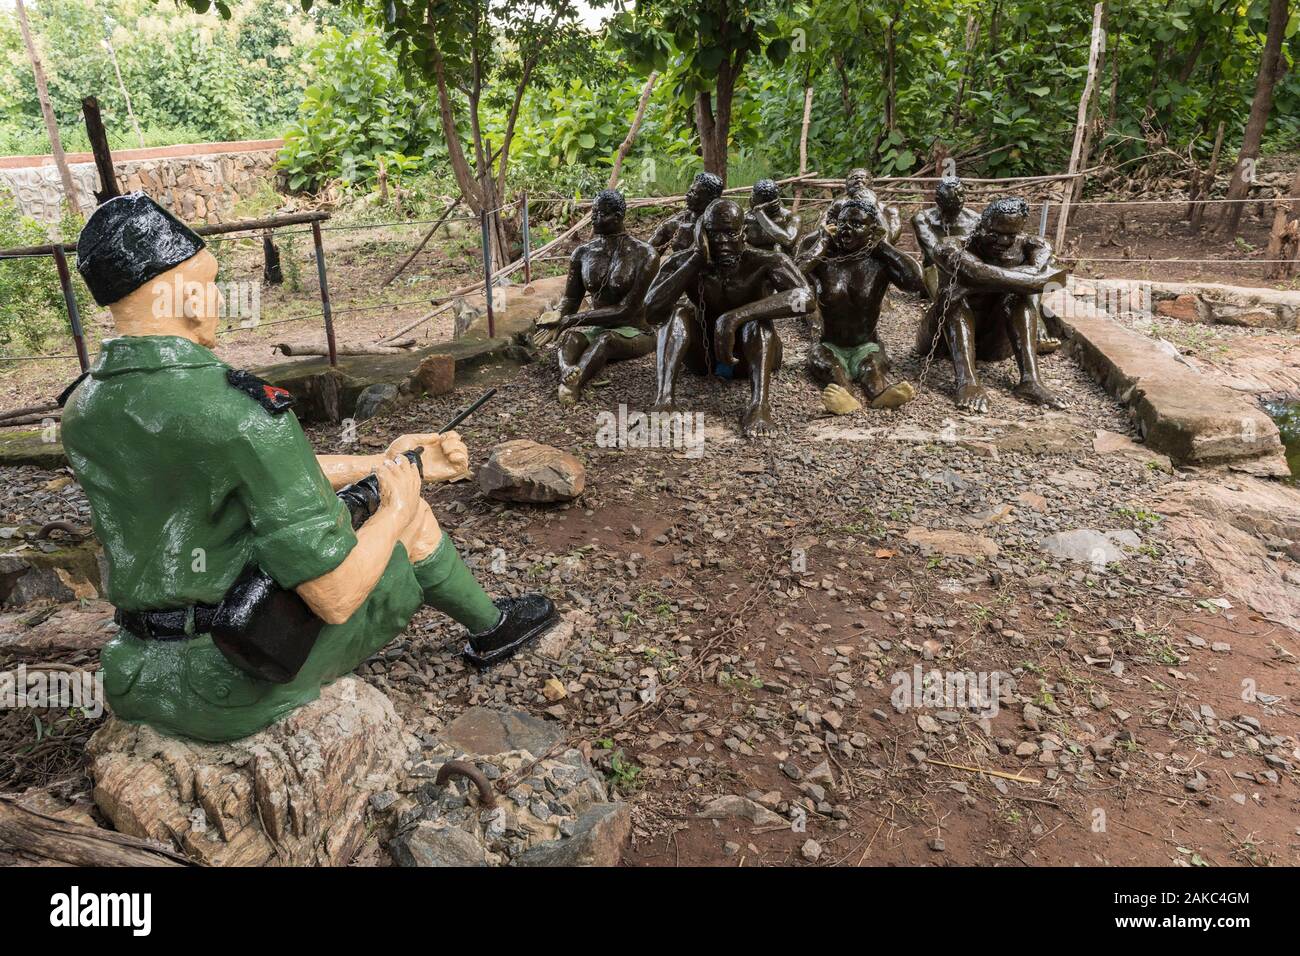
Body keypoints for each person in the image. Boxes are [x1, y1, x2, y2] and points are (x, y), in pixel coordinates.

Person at [60, 194, 556, 742]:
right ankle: (494, 630)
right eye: (214, 283)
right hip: (234, 679)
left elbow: (242, 472)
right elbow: (335, 596)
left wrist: (383, 462)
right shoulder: (240, 412)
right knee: (406, 525)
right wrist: (398, 505)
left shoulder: (84, 408)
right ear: (192, 301)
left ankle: (484, 615)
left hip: (132, 676)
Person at [644, 199, 809, 437]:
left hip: (747, 355)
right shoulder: (683, 262)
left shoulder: (767, 261)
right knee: (677, 312)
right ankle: (664, 398)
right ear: (702, 233)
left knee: (757, 322)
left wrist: (735, 317)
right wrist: (696, 258)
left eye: (730, 233)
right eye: (714, 234)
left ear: (744, 233)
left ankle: (759, 405)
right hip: (705, 358)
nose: (722, 242)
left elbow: (805, 298)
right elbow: (651, 311)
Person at [915, 196, 1067, 414]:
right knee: (954, 298)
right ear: (980, 225)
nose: (1003, 241)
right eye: (994, 233)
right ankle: (967, 381)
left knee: (1017, 298)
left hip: (994, 341)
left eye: (1011, 235)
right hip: (941, 342)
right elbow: (976, 271)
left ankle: (1030, 380)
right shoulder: (950, 245)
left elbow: (1057, 279)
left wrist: (973, 285)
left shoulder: (1036, 246)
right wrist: (1027, 278)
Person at [799, 198, 925, 414]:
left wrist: (883, 245)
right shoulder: (825, 259)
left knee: (872, 369)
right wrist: (822, 242)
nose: (847, 229)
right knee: (833, 369)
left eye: (856, 224)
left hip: (867, 345)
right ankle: (845, 395)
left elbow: (915, 282)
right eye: (843, 223)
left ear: (872, 230)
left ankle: (880, 395)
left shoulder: (879, 261)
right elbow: (794, 274)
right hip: (829, 345)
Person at [533, 189, 657, 404]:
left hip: (635, 330)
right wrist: (558, 314)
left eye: (601, 214)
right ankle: (567, 370)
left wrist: (571, 319)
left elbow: (626, 310)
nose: (593, 218)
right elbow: (571, 300)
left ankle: (574, 384)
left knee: (605, 340)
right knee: (569, 338)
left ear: (618, 217)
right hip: (598, 327)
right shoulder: (582, 253)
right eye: (593, 212)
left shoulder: (645, 254)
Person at [650, 171, 724, 253]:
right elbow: (648, 253)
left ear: (710, 198)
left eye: (694, 192)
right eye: (690, 190)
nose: (687, 194)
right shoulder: (672, 224)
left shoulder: (724, 224)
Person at [743, 178, 798, 253]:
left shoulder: (791, 218)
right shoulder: (745, 217)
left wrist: (760, 214)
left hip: (782, 261)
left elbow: (788, 241)